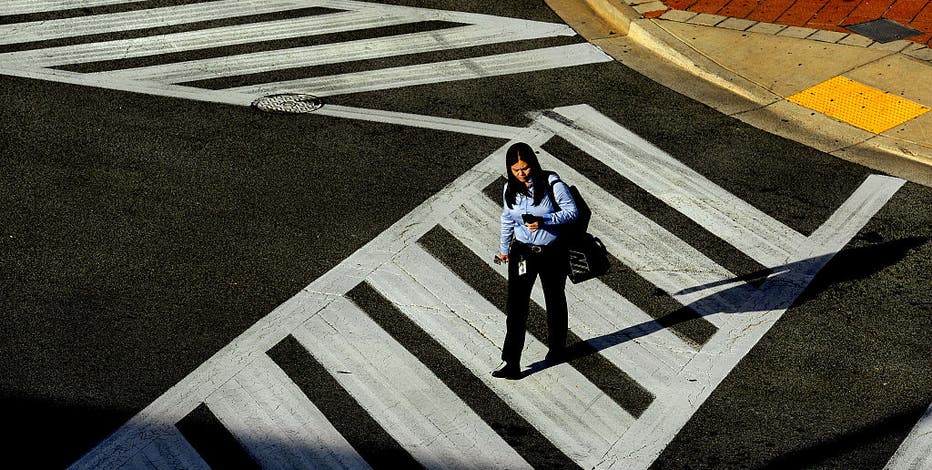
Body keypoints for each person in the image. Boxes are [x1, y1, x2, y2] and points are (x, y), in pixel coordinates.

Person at [492, 142, 578, 379]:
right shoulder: (509, 188)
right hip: (522, 252)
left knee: (555, 299)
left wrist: (545, 220)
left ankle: (557, 347)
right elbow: (507, 218)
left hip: (552, 251)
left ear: (533, 164)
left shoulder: (552, 184)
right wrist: (504, 249)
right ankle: (511, 362)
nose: (521, 174)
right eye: (516, 170)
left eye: (525, 168)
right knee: (516, 307)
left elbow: (572, 212)